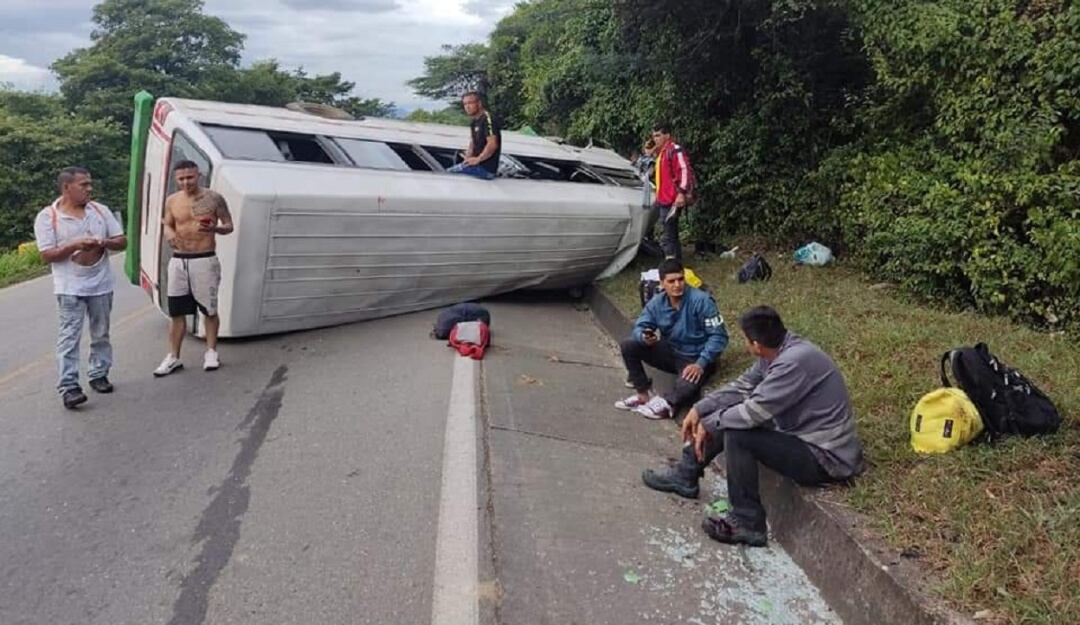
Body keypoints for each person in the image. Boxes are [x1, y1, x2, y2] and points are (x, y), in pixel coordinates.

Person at [641, 306, 865, 547]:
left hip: (826, 458)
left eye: (747, 341)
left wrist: (711, 421)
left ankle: (748, 522)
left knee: (738, 432)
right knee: (726, 418)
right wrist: (700, 408)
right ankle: (685, 474)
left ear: (756, 344)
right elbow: (741, 387)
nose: (747, 346)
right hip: (800, 437)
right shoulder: (777, 352)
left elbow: (753, 413)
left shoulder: (794, 362)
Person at [33, 167, 126, 409]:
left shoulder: (99, 211)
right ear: (67, 188)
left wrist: (102, 242)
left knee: (101, 333)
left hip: (101, 284)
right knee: (69, 337)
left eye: (89, 184)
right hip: (69, 287)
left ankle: (98, 374)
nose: (89, 189)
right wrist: (74, 244)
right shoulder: (48, 217)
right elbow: (47, 255)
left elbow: (121, 240)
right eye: (84, 185)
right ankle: (69, 386)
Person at [615, 258, 728, 420]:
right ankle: (642, 395)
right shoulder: (657, 302)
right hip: (671, 352)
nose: (677, 285)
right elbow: (640, 326)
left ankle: (667, 404)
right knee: (628, 345)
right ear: (662, 283)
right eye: (671, 281)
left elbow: (719, 336)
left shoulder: (702, 301)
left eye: (680, 279)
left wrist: (701, 363)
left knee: (688, 385)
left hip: (696, 357)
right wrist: (644, 337)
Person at [154, 160, 234, 377]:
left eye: (190, 177)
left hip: (204, 258)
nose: (186, 182)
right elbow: (168, 223)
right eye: (181, 178)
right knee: (176, 312)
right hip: (179, 260)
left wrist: (215, 228)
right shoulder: (172, 200)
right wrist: (169, 233)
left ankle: (211, 352)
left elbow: (229, 225)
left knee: (209, 309)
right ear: (175, 179)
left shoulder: (213, 198)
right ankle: (173, 356)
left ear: (198, 175)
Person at [651, 121, 695, 260]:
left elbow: (684, 170)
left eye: (658, 135)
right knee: (671, 232)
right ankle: (676, 263)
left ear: (667, 135)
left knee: (668, 235)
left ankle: (670, 264)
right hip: (664, 199)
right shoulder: (662, 153)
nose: (655, 139)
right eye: (654, 136)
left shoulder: (673, 150)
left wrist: (681, 193)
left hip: (672, 199)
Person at [447, 91, 501, 180]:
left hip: (485, 169)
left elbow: (492, 144)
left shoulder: (487, 119)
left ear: (479, 103)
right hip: (475, 166)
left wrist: (478, 159)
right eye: (465, 104)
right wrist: (467, 159)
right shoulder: (474, 122)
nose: (467, 107)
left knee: (448, 175)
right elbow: (473, 143)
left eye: (470, 103)